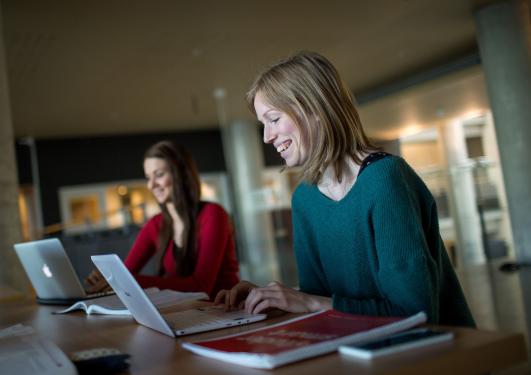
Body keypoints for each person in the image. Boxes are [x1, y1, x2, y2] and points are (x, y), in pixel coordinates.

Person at [215, 51, 475, 327]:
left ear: (314, 108)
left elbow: (416, 313)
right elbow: (324, 299)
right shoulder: (304, 198)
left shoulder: (386, 179)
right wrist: (272, 300)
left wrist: (309, 302)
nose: (267, 137)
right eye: (263, 124)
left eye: (274, 119)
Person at [86, 141, 240, 299]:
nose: (151, 185)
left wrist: (129, 280)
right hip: (189, 314)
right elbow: (127, 272)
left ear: (181, 174)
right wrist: (109, 279)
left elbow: (201, 287)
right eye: (148, 178)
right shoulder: (155, 224)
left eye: (159, 175)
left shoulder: (213, 214)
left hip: (226, 312)